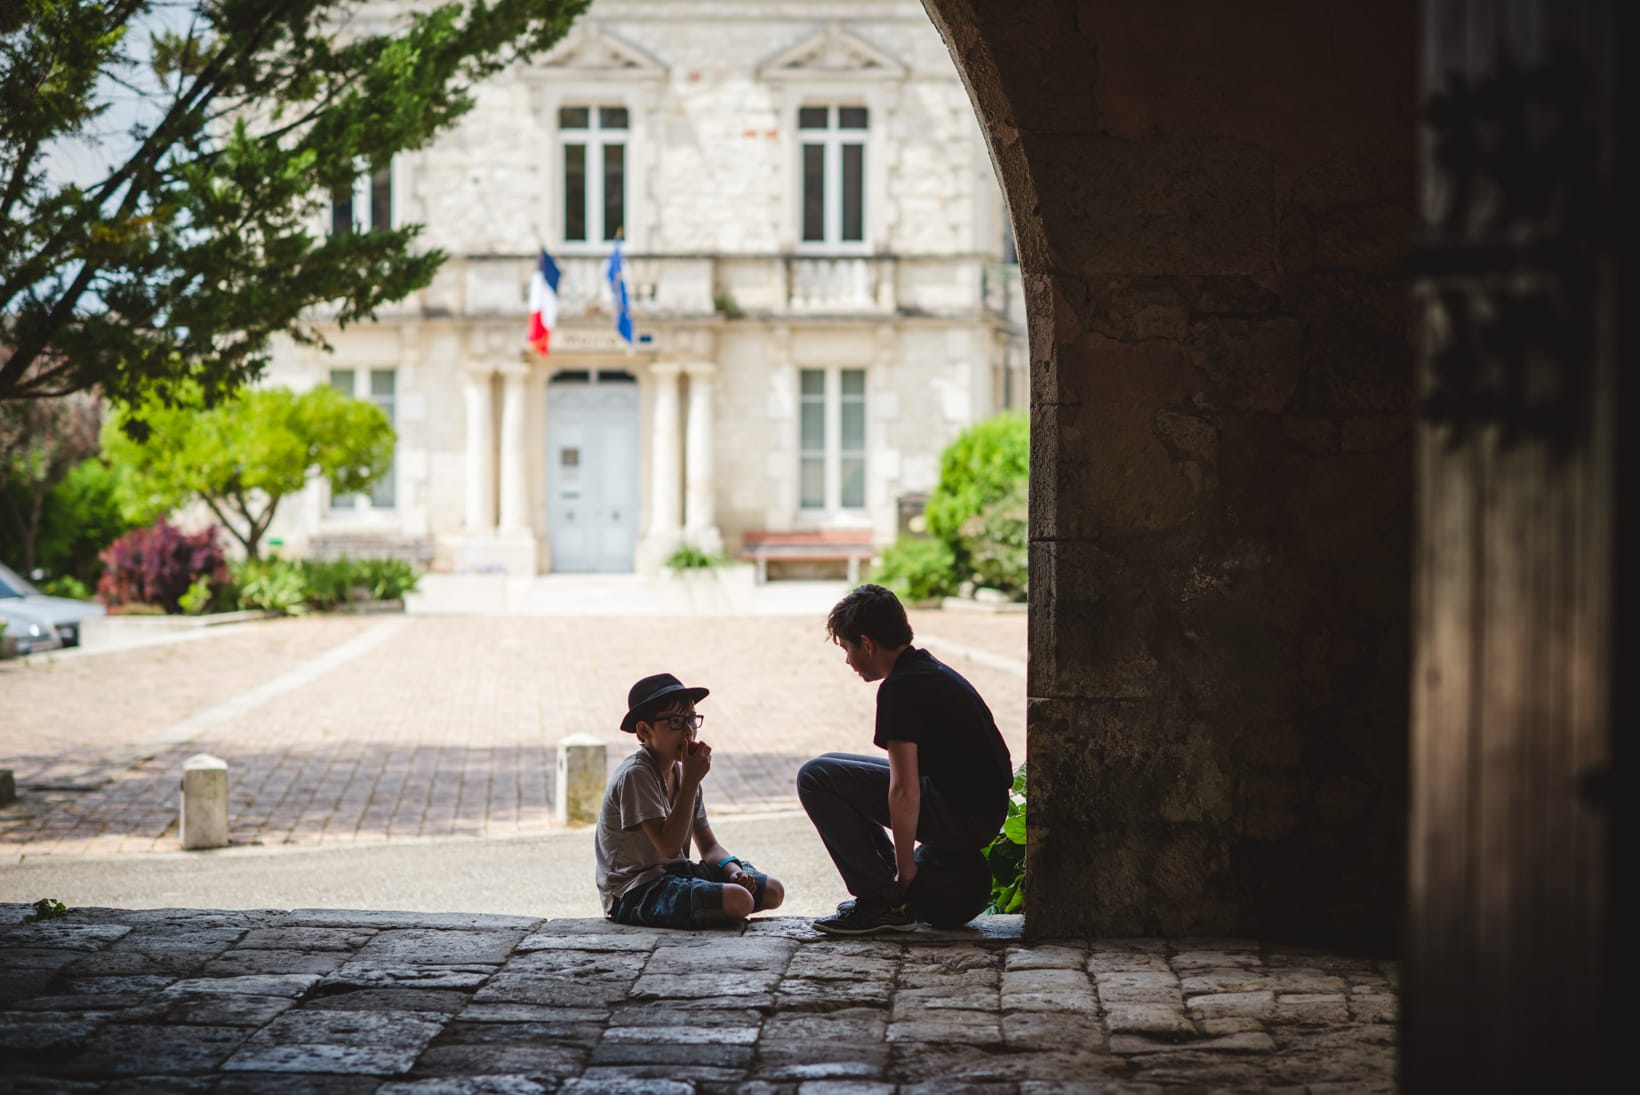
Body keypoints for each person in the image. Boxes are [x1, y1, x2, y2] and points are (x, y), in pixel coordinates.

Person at [798, 584, 1013, 935]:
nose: (848, 661)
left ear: (867, 643)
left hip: (964, 816)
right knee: (831, 764)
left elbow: (904, 790)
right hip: (980, 808)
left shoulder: (900, 688)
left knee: (815, 777)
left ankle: (883, 902)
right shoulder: (924, 669)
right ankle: (887, 891)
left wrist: (906, 869)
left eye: (848, 649)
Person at [595, 672, 785, 928]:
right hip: (635, 891)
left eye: (691, 720)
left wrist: (733, 871)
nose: (688, 732)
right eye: (675, 722)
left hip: (676, 875)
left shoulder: (683, 772)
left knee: (772, 890)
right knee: (740, 901)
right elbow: (668, 846)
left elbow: (708, 846)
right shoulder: (637, 774)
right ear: (643, 731)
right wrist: (691, 783)